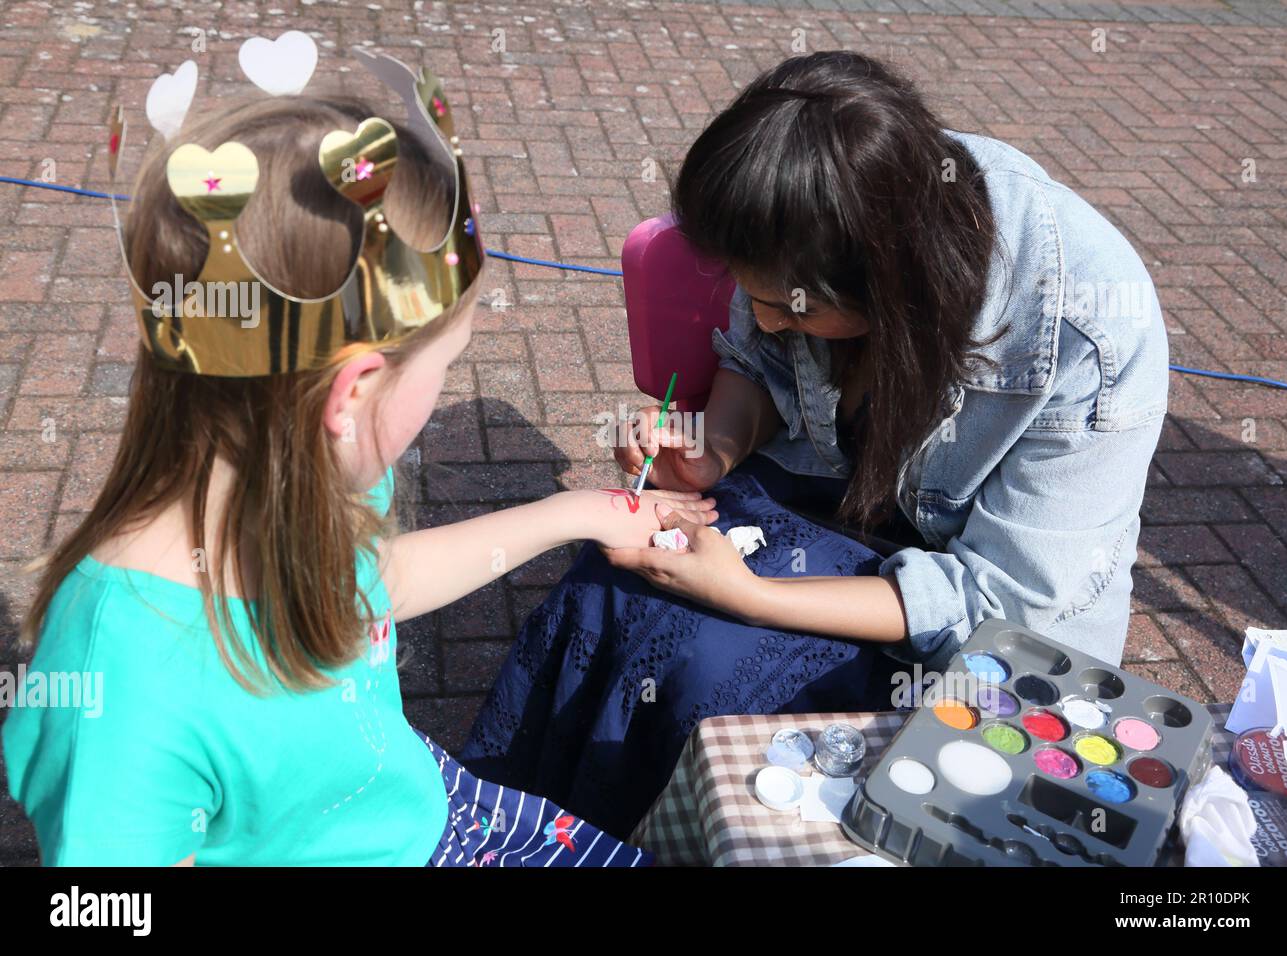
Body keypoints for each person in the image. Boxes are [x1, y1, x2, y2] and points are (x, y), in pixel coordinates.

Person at [1, 44, 716, 866]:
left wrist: (579, 513)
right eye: (445, 365)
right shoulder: (119, 691)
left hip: (428, 812)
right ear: (352, 393)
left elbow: (370, 589)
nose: (444, 390)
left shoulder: (311, 471)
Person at [461, 51, 1167, 838]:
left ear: (891, 291)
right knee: (609, 586)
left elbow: (1003, 605)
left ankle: (656, 838)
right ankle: (529, 836)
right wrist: (712, 451)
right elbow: (754, 363)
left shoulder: (1087, 335)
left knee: (712, 675)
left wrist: (750, 596)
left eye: (787, 309)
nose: (761, 320)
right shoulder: (817, 205)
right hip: (825, 504)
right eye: (750, 294)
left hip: (966, 617)